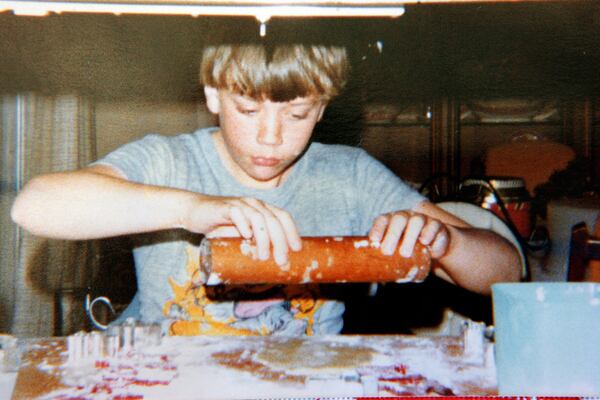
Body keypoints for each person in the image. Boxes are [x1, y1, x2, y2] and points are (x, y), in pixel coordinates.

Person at [11, 43, 521, 336]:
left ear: (322, 108)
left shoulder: (350, 174)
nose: (271, 137)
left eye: (298, 114)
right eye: (248, 110)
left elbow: (508, 271)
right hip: (170, 377)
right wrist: (194, 209)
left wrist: (445, 242)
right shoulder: (170, 160)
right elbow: (35, 207)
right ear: (213, 93)